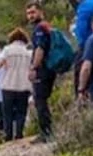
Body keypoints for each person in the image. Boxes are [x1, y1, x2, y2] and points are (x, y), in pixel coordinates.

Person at [0, 28, 35, 142]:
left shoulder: (7, 50)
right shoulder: (28, 52)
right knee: (21, 112)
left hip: (8, 84)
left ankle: (8, 136)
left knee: (7, 112)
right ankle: (19, 135)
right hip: (24, 85)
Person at [26, 1, 58, 142]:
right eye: (28, 13)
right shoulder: (46, 26)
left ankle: (46, 133)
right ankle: (47, 131)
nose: (30, 16)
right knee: (41, 100)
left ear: (40, 12)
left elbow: (40, 49)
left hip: (43, 69)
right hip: (49, 68)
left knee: (40, 100)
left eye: (33, 12)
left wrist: (33, 67)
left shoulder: (39, 29)